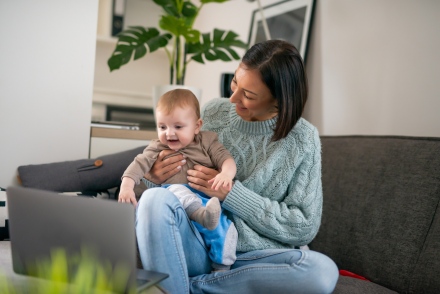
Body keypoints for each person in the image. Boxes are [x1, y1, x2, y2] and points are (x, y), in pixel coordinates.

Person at [135, 40, 339, 293]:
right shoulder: (213, 113)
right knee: (154, 199)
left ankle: (186, 288)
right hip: (200, 244)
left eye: (249, 95)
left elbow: (303, 226)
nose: (232, 98)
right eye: (235, 83)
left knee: (321, 272)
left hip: (256, 259)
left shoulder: (303, 139)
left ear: (279, 99)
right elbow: (170, 176)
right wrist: (153, 176)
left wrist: (231, 195)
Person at [119, 89, 238, 271]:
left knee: (224, 229)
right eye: (162, 127)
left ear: (197, 126)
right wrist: (126, 186)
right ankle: (139, 271)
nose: (169, 133)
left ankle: (220, 270)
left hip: (206, 201)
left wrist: (225, 175)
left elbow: (227, 160)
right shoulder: (157, 147)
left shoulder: (206, 142)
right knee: (171, 193)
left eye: (178, 127)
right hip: (173, 204)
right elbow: (138, 164)